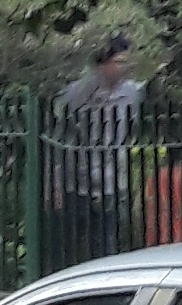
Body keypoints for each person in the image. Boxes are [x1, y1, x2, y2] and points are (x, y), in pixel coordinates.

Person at [51, 31, 145, 263]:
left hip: (112, 182)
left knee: (107, 247)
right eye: (118, 62)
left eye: (126, 61)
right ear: (103, 63)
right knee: (73, 249)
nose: (124, 67)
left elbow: (132, 129)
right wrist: (56, 185)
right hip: (77, 182)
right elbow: (59, 140)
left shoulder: (132, 93)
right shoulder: (77, 94)